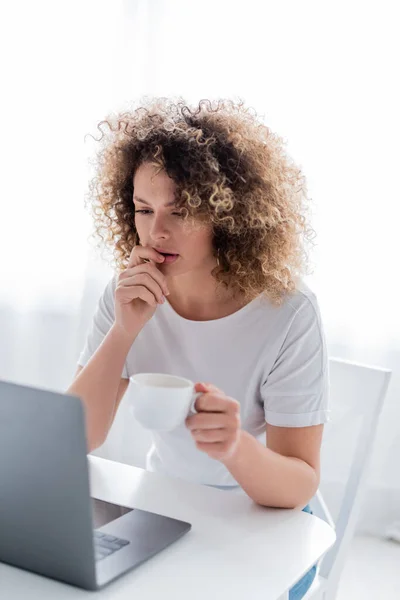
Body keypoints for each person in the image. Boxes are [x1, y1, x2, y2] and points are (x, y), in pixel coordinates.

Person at [69, 97, 330, 599]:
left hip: (265, 524)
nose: (157, 231)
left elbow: (299, 485)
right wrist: (123, 332)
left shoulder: (289, 313)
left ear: (228, 215)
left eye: (181, 210)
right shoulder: (127, 293)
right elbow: (78, 436)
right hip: (167, 506)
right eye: (144, 210)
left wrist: (234, 447)